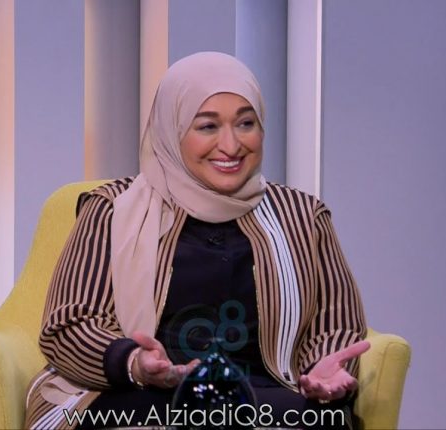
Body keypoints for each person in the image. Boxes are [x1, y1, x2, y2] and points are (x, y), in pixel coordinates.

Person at [24, 51, 368, 430]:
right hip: (141, 394)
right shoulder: (112, 208)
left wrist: (323, 371)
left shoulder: (303, 215)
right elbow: (70, 324)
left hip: (264, 394)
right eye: (207, 126)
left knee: (319, 421)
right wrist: (134, 362)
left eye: (246, 123)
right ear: (172, 131)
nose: (231, 145)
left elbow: (335, 324)